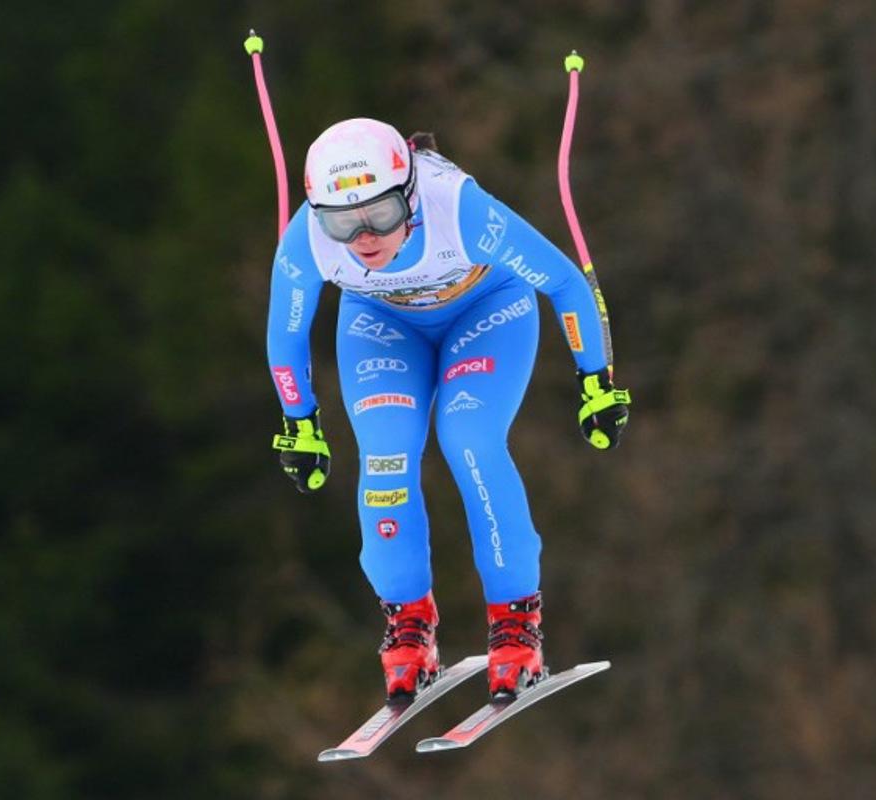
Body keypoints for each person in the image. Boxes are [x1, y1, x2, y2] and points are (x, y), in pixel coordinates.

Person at [265, 118, 630, 702]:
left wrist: (597, 381)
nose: (363, 237)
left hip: (484, 309)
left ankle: (516, 623)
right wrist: (299, 421)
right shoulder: (306, 238)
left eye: (381, 214)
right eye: (342, 222)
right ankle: (408, 625)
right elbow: (286, 333)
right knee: (384, 454)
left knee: (469, 438)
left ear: (409, 196)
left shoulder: (458, 210)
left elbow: (563, 282)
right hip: (382, 324)